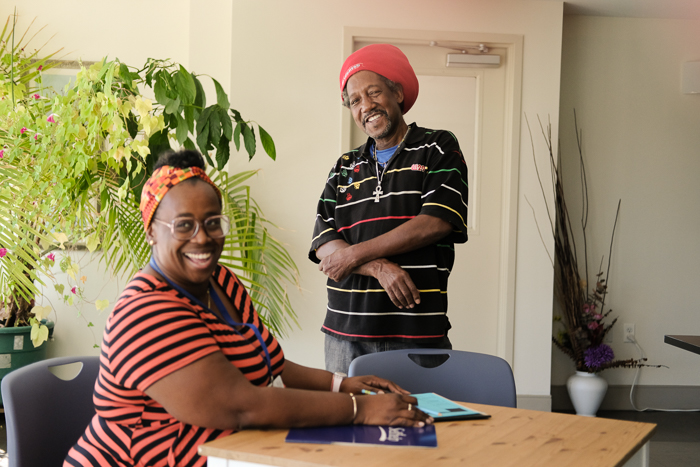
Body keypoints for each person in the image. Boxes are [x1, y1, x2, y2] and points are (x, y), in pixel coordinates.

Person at [64, 149, 431, 467]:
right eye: (184, 225)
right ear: (151, 231)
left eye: (213, 222)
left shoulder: (220, 281)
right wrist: (358, 409)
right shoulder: (146, 312)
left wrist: (339, 384)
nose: (202, 237)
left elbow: (266, 361)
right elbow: (242, 407)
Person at [310, 44, 469, 374]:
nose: (366, 106)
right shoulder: (344, 166)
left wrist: (354, 255)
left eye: (373, 93)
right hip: (345, 334)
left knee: (422, 409)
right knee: (347, 409)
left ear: (397, 92)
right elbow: (324, 241)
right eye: (355, 101)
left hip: (417, 331)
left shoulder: (438, 147)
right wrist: (378, 267)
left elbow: (436, 221)